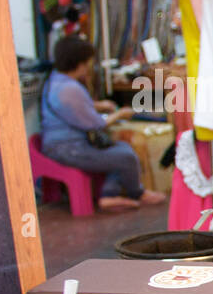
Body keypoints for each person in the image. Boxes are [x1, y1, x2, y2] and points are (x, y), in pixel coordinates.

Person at [40, 36, 165, 210]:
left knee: (121, 150)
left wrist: (99, 105)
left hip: (59, 146)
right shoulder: (69, 88)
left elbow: (72, 109)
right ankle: (137, 193)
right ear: (79, 63)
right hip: (69, 150)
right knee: (126, 156)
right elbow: (95, 124)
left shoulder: (56, 80)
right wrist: (120, 113)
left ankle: (109, 195)